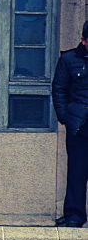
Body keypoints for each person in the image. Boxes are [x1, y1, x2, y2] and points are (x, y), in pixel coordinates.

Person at [51, 20, 88, 228]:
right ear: (83, 40)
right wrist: (65, 116)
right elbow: (59, 89)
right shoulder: (69, 59)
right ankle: (74, 216)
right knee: (77, 171)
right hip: (79, 124)